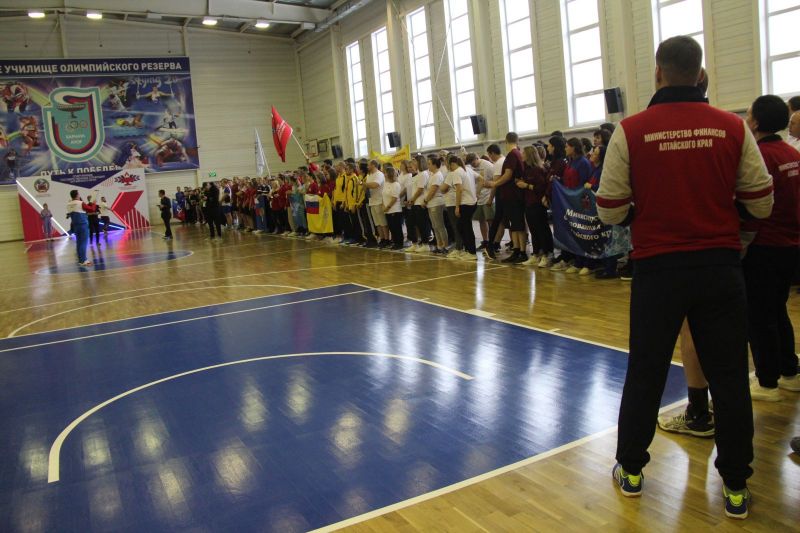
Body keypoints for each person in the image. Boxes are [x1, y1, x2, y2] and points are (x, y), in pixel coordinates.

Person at [596, 35, 773, 519]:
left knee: (646, 371)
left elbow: (609, 208)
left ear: (658, 73)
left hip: (658, 270)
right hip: (719, 267)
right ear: (700, 73)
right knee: (730, 377)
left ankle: (632, 470)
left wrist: (645, 214)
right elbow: (761, 201)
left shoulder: (631, 130)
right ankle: (735, 485)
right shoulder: (732, 127)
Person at [741, 95, 800, 400]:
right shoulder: (791, 153)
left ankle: (767, 383)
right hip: (790, 244)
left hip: (765, 245)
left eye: (748, 114)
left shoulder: (760, 157)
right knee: (777, 310)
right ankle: (789, 372)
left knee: (760, 315)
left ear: (756, 122)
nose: (746, 119)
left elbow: (753, 204)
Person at [486, 132, 528, 264]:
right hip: (512, 195)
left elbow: (508, 175)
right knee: (514, 225)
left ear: (506, 141)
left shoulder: (512, 155)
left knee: (518, 225)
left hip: (513, 195)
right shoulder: (516, 154)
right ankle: (517, 250)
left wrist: (494, 183)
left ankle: (521, 252)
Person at [518, 146, 552, 267]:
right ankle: (536, 253)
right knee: (533, 230)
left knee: (542, 229)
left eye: (523, 153)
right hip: (528, 203)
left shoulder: (538, 169)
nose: (521, 154)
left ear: (529, 155)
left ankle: (547, 254)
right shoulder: (526, 169)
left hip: (538, 204)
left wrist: (527, 186)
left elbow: (541, 187)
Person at [467, 153, 495, 250]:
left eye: (473, 163)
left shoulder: (488, 165)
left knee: (490, 220)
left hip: (488, 196)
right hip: (478, 198)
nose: (473, 165)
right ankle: (485, 241)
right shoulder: (470, 167)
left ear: (477, 158)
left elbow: (496, 181)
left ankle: (494, 242)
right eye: (471, 164)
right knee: (481, 220)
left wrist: (488, 185)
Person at [422, 155, 448, 254]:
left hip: (436, 203)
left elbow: (433, 191)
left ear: (435, 165)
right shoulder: (432, 175)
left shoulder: (437, 175)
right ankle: (439, 245)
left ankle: (444, 246)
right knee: (435, 226)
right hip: (431, 204)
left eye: (429, 164)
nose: (427, 166)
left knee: (439, 225)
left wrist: (425, 201)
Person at [365, 160, 389, 247]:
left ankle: (387, 239)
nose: (367, 167)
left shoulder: (379, 174)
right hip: (372, 201)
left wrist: (364, 184)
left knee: (383, 222)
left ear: (373, 165)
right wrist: (364, 185)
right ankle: (382, 238)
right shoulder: (369, 175)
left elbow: (375, 185)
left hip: (379, 200)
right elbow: (367, 186)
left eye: (368, 165)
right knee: (377, 223)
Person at [66, 190, 91, 266]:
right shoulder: (81, 203)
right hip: (83, 225)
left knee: (79, 243)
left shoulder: (68, 204)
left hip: (76, 226)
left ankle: (81, 260)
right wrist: (94, 203)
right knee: (83, 243)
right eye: (79, 194)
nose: (79, 195)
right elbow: (91, 209)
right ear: (77, 195)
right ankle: (84, 260)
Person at [382, 166, 404, 250]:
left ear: (389, 174)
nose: (384, 174)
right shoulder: (386, 183)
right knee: (391, 227)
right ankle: (395, 242)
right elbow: (383, 195)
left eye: (385, 173)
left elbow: (394, 198)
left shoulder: (396, 184)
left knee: (396, 227)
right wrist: (383, 206)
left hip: (395, 209)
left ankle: (399, 243)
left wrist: (387, 207)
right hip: (387, 210)